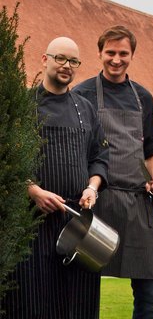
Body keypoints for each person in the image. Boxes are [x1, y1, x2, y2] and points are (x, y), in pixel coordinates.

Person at [2, 37, 109, 319]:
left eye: (73, 61)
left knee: (79, 303)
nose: (66, 66)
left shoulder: (85, 109)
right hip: (31, 222)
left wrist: (92, 188)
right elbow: (5, 161)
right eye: (60, 58)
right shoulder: (22, 105)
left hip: (78, 222)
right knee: (32, 302)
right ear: (44, 59)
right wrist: (33, 190)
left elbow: (99, 158)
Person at [73, 25, 153, 319]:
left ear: (132, 55)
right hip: (97, 200)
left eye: (123, 53)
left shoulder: (143, 97)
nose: (116, 59)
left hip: (139, 201)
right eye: (110, 52)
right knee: (85, 284)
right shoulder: (82, 93)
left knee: (150, 287)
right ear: (100, 53)